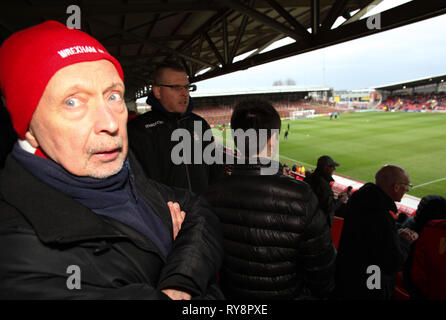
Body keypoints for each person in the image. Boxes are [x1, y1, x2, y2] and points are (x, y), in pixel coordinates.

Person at [0, 21, 223, 300]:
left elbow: (199, 208)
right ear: (29, 128)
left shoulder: (122, 172)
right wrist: (179, 252)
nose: (109, 123)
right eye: (73, 102)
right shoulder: (17, 257)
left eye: (113, 96)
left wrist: (179, 278)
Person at [204, 99, 336, 300]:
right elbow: (322, 271)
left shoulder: (212, 193)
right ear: (274, 139)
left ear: (236, 138)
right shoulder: (302, 196)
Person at [127, 61, 223, 195]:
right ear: (158, 91)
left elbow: (216, 172)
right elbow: (136, 184)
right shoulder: (138, 130)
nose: (184, 93)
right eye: (177, 87)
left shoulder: (199, 124)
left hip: (203, 212)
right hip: (163, 214)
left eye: (186, 87)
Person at [334, 165, 418, 300]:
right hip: (369, 283)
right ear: (396, 187)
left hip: (348, 276)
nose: (407, 189)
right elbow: (392, 262)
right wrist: (405, 240)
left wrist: (393, 231)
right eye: (407, 186)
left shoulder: (361, 201)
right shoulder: (380, 214)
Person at [304, 155, 347, 228]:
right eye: (332, 167)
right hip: (318, 225)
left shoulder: (308, 178)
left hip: (307, 219)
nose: (334, 169)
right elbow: (329, 206)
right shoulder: (323, 185)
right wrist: (340, 200)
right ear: (325, 168)